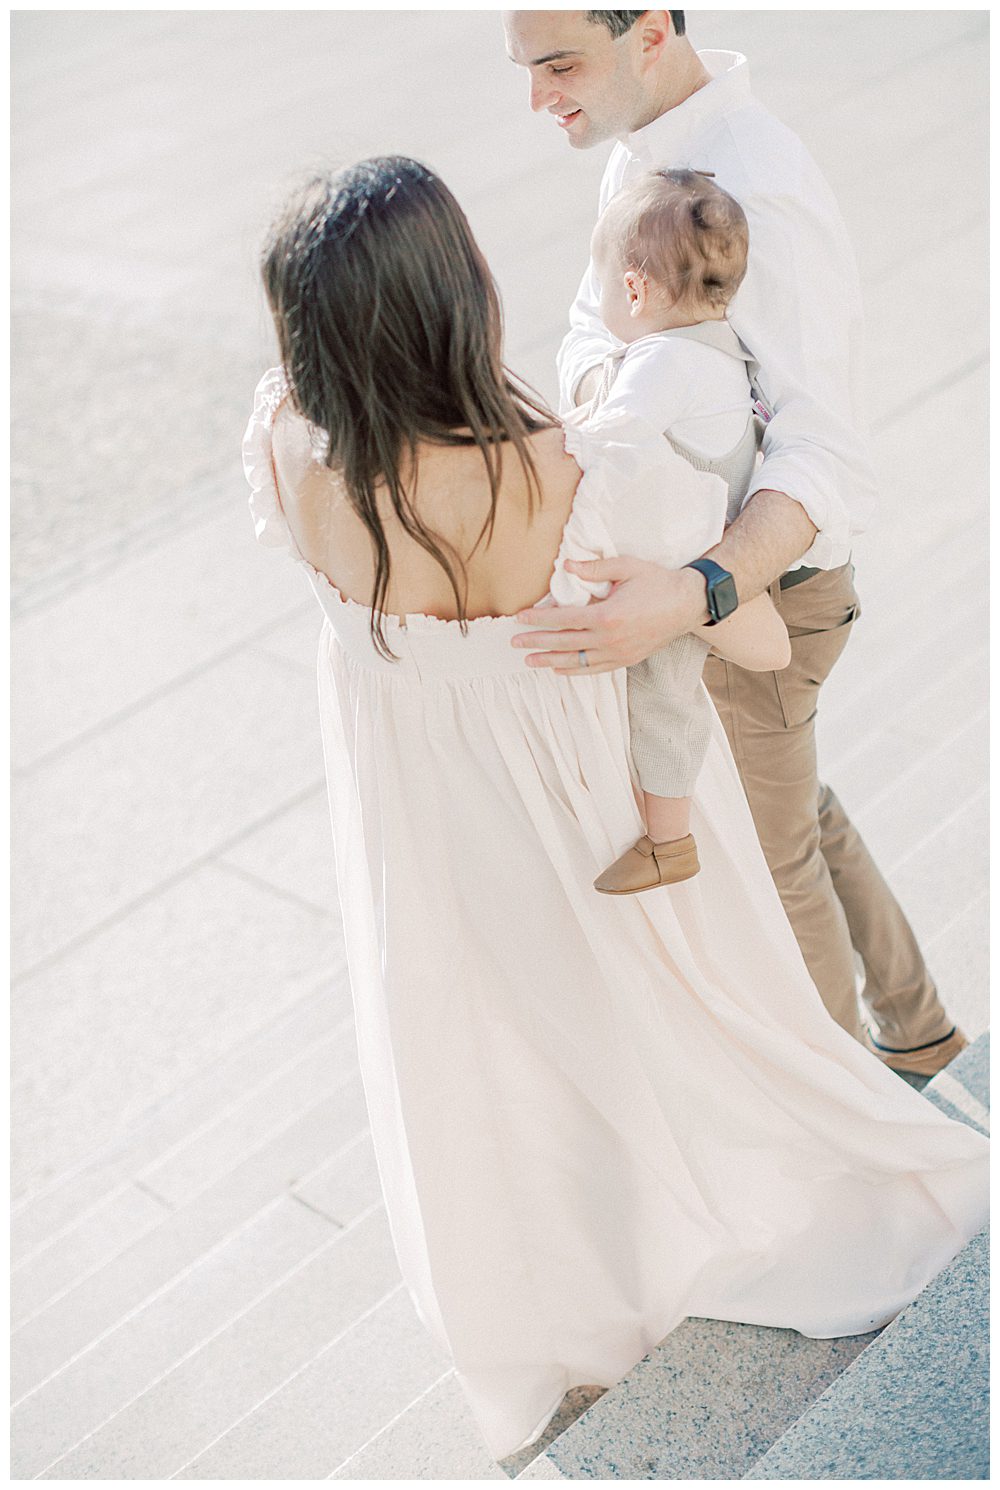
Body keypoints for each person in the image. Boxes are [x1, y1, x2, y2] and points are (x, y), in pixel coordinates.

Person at [243, 156, 988, 1464]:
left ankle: (556, 1298)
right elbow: (747, 638)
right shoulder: (555, 471)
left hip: (420, 822)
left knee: (481, 1053)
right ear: (456, 296)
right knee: (665, 1013)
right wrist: (719, 595)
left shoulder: (293, 456)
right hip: (568, 801)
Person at [503, 8, 967, 1072]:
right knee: (796, 800)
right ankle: (919, 1025)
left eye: (559, 64)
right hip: (720, 584)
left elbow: (822, 455)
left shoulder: (762, 186)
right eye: (526, 69)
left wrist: (693, 593)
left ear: (652, 30)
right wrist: (630, 377)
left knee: (773, 856)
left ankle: (857, 1124)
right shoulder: (638, 156)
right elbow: (586, 333)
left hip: (764, 594)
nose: (538, 97)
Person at [577, 166, 768, 894]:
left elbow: (611, 442)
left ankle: (667, 843)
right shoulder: (721, 345)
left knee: (663, 689)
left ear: (632, 290)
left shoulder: (661, 361)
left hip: (684, 547)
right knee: (667, 688)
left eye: (603, 290)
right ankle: (664, 831)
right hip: (710, 531)